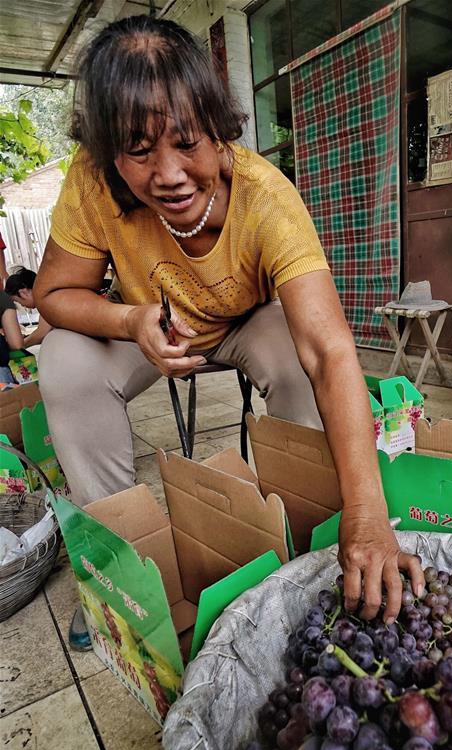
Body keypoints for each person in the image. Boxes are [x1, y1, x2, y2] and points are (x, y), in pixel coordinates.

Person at [34, 16, 423, 652]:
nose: (169, 174)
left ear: (219, 128)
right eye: (138, 151)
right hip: (151, 325)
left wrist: (370, 516)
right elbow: (52, 296)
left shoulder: (266, 197)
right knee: (65, 359)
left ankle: (308, 543)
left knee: (299, 357)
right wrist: (129, 319)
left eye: (187, 142)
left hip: (245, 322)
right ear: (108, 152)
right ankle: (120, 571)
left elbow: (331, 352)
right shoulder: (90, 183)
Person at [5, 267, 52, 348]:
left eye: (18, 301)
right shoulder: (45, 295)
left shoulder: (46, 299)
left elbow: (41, 334)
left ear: (23, 293)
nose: (22, 305)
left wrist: (18, 346)